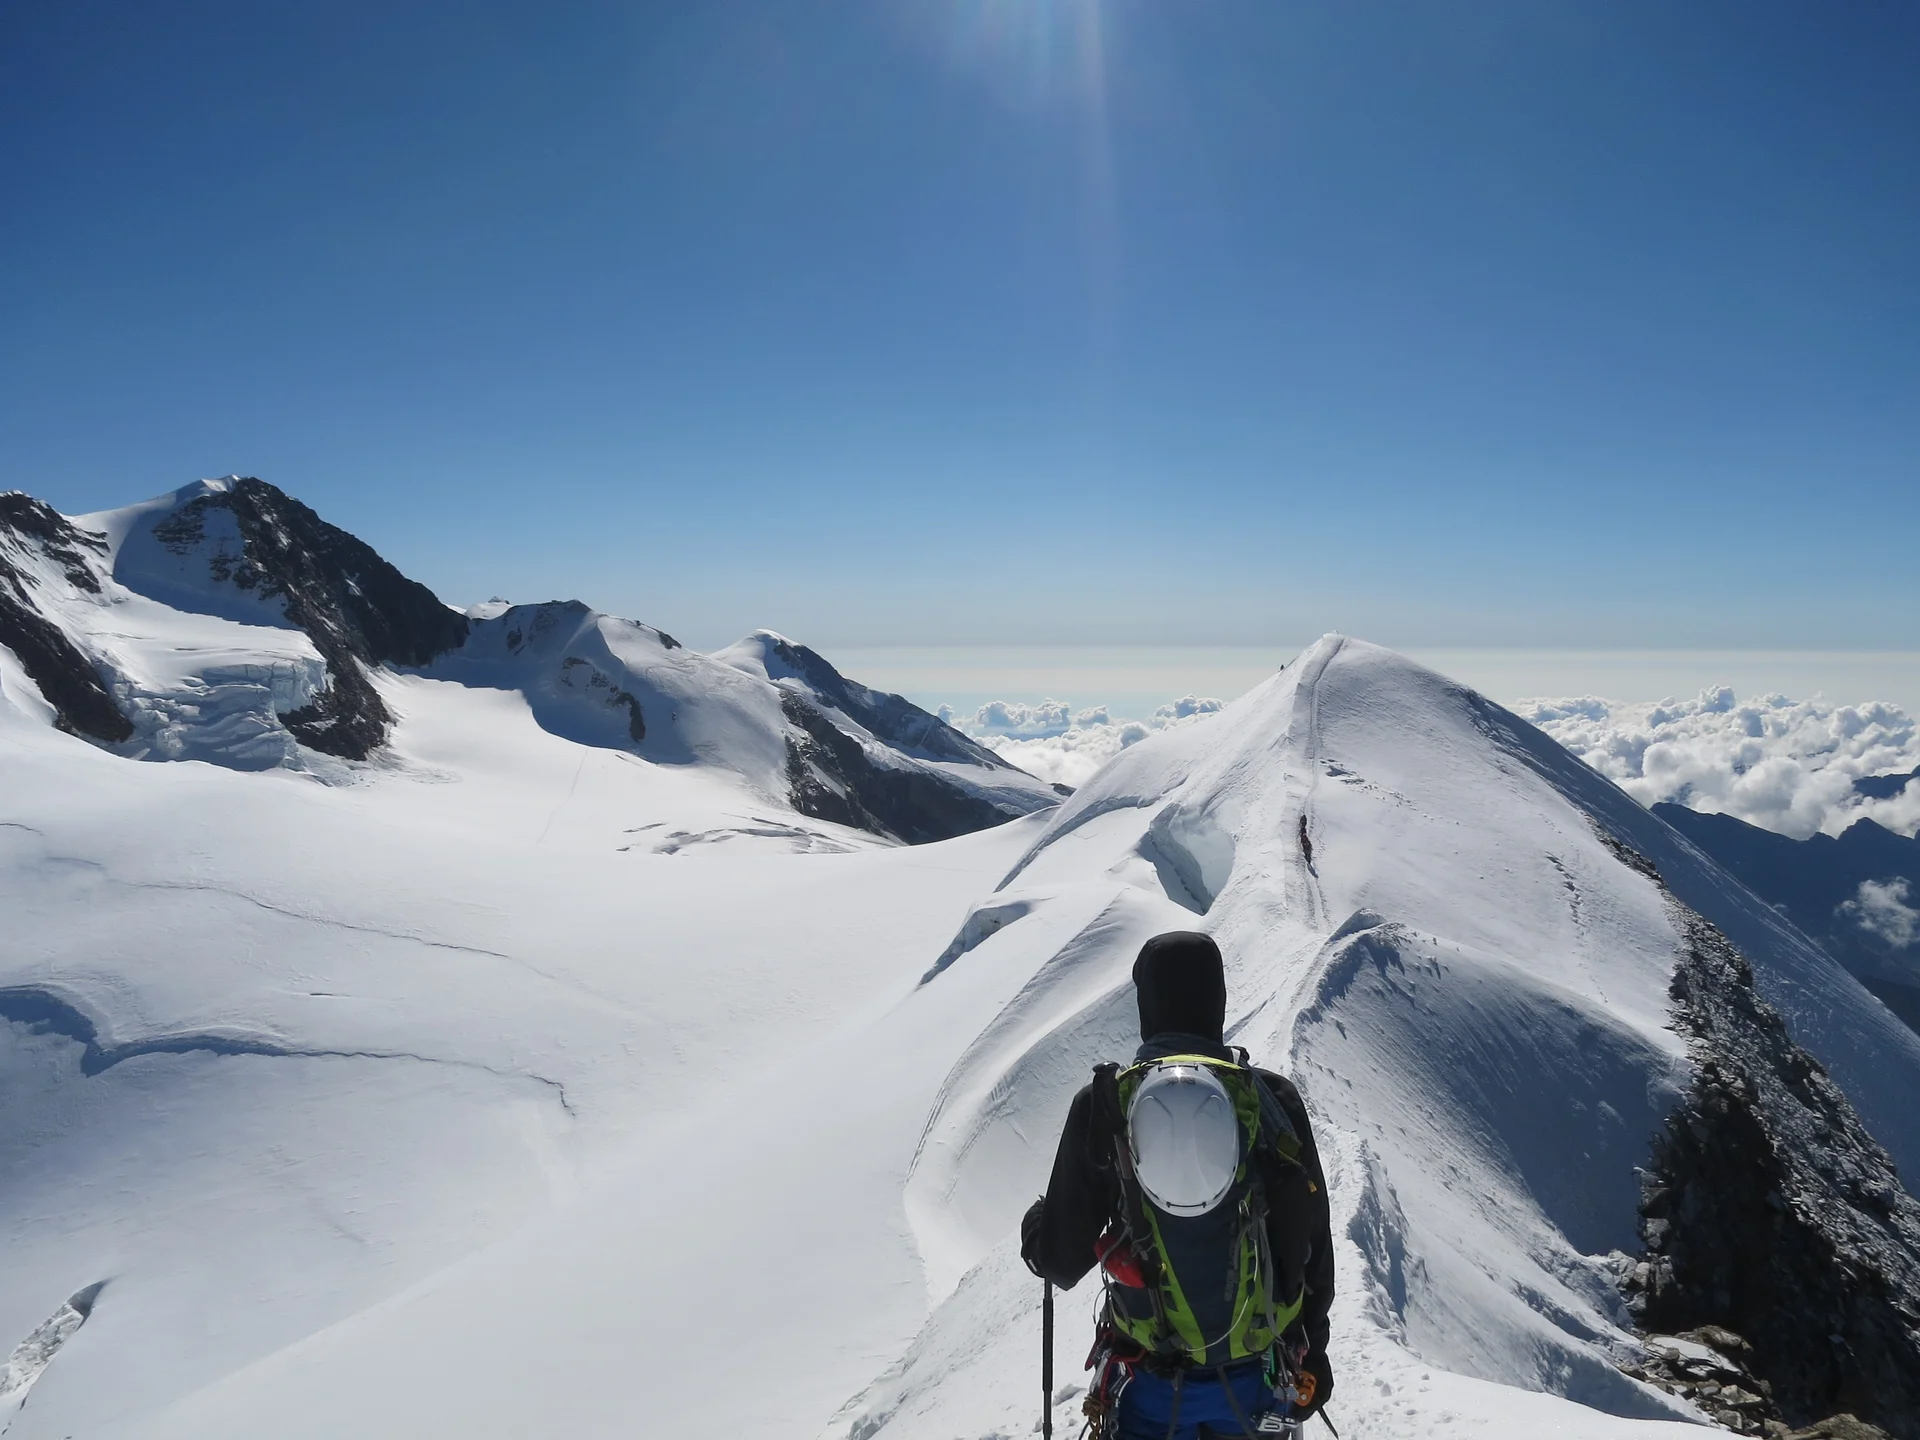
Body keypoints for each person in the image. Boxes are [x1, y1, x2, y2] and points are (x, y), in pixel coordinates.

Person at [1021, 931, 1335, 1439]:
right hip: (1259, 1377)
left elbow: (1060, 1262)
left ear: (1147, 1004)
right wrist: (1314, 1351)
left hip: (1148, 1381)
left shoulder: (1105, 1105)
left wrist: (1036, 1233)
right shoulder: (1270, 1100)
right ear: (1218, 1000)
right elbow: (1313, 1241)